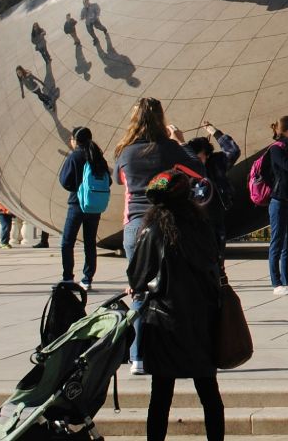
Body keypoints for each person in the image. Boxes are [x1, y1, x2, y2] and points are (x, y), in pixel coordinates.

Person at [123, 170, 224, 441]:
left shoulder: (154, 231)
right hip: (201, 320)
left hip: (164, 322)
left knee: (161, 396)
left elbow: (138, 275)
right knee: (209, 393)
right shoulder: (203, 227)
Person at [114, 98, 206, 372]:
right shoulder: (168, 149)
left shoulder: (125, 152)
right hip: (164, 223)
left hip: (133, 226)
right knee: (170, 289)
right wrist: (179, 141)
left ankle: (137, 356)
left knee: (139, 290)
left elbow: (121, 181)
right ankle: (171, 350)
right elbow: (198, 171)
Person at [59, 126, 112, 290]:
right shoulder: (98, 156)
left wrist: (78, 188)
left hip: (77, 204)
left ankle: (68, 277)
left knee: (68, 241)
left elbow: (64, 180)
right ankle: (87, 278)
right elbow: (107, 180)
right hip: (94, 205)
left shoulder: (74, 156)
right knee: (90, 242)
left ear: (75, 140)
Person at [264, 115, 288, 294]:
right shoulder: (277, 149)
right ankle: (276, 282)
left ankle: (287, 281)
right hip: (278, 200)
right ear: (285, 131)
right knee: (277, 242)